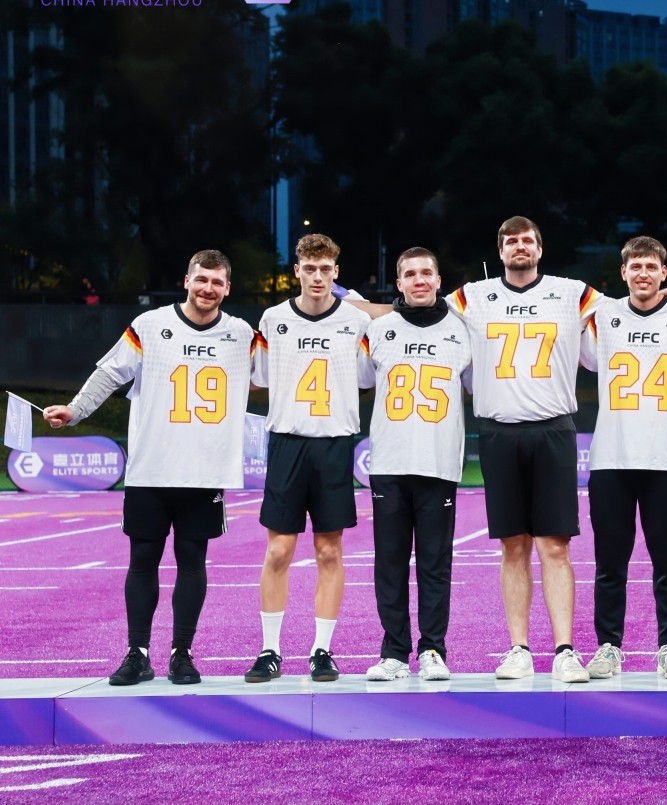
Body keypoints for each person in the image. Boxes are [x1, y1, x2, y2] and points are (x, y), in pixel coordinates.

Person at [437, 217, 667, 683]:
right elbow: (419, 309)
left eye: (527, 240)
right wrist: (347, 300)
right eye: (511, 241)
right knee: (513, 546)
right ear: (499, 249)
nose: (520, 247)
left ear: (540, 248)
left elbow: (634, 305)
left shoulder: (572, 292)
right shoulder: (474, 295)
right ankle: (519, 649)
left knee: (556, 546)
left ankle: (565, 650)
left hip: (554, 429)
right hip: (499, 431)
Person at [45, 251, 255, 686]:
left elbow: (282, 371)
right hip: (151, 466)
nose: (208, 288)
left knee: (192, 560)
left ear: (228, 288)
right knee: (143, 560)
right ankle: (138, 653)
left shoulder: (241, 334)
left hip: (205, 470)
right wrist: (76, 410)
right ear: (186, 280)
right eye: (202, 279)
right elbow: (109, 373)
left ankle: (182, 653)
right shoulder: (150, 325)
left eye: (217, 281)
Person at [244, 234, 373, 684]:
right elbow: (259, 376)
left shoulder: (357, 321)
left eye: (325, 269)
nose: (317, 277)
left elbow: (368, 376)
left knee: (328, 550)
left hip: (334, 442)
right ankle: (270, 650)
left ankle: (322, 649)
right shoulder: (274, 318)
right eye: (310, 268)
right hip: (288, 441)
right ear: (296, 270)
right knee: (279, 549)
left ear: (336, 273)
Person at [579, 237, 667, 680]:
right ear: (623, 272)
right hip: (612, 457)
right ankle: (608, 646)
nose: (643, 273)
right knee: (610, 564)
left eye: (651, 267)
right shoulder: (603, 315)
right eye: (636, 266)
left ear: (664, 273)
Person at [360, 247, 472, 682]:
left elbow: (475, 387)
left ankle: (432, 650)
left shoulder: (462, 330)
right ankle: (393, 651)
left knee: (434, 564)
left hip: (438, 462)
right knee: (389, 562)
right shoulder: (379, 329)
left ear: (439, 280)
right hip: (389, 462)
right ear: (399, 283)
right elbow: (363, 380)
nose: (419, 280)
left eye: (427, 272)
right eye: (410, 274)